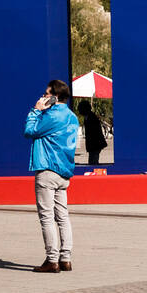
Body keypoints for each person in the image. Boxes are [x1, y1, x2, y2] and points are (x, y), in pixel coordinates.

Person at [25, 79, 80, 273]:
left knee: (47, 217)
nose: (43, 97)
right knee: (63, 216)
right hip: (64, 170)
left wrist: (36, 110)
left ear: (54, 97)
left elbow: (30, 130)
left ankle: (52, 259)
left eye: (46, 94)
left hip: (47, 168)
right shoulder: (73, 117)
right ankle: (66, 258)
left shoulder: (52, 115)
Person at [78, 100, 108, 165]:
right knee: (92, 160)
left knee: (93, 161)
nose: (79, 111)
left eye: (80, 109)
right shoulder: (88, 117)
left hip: (95, 144)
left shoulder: (91, 117)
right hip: (93, 145)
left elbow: (94, 133)